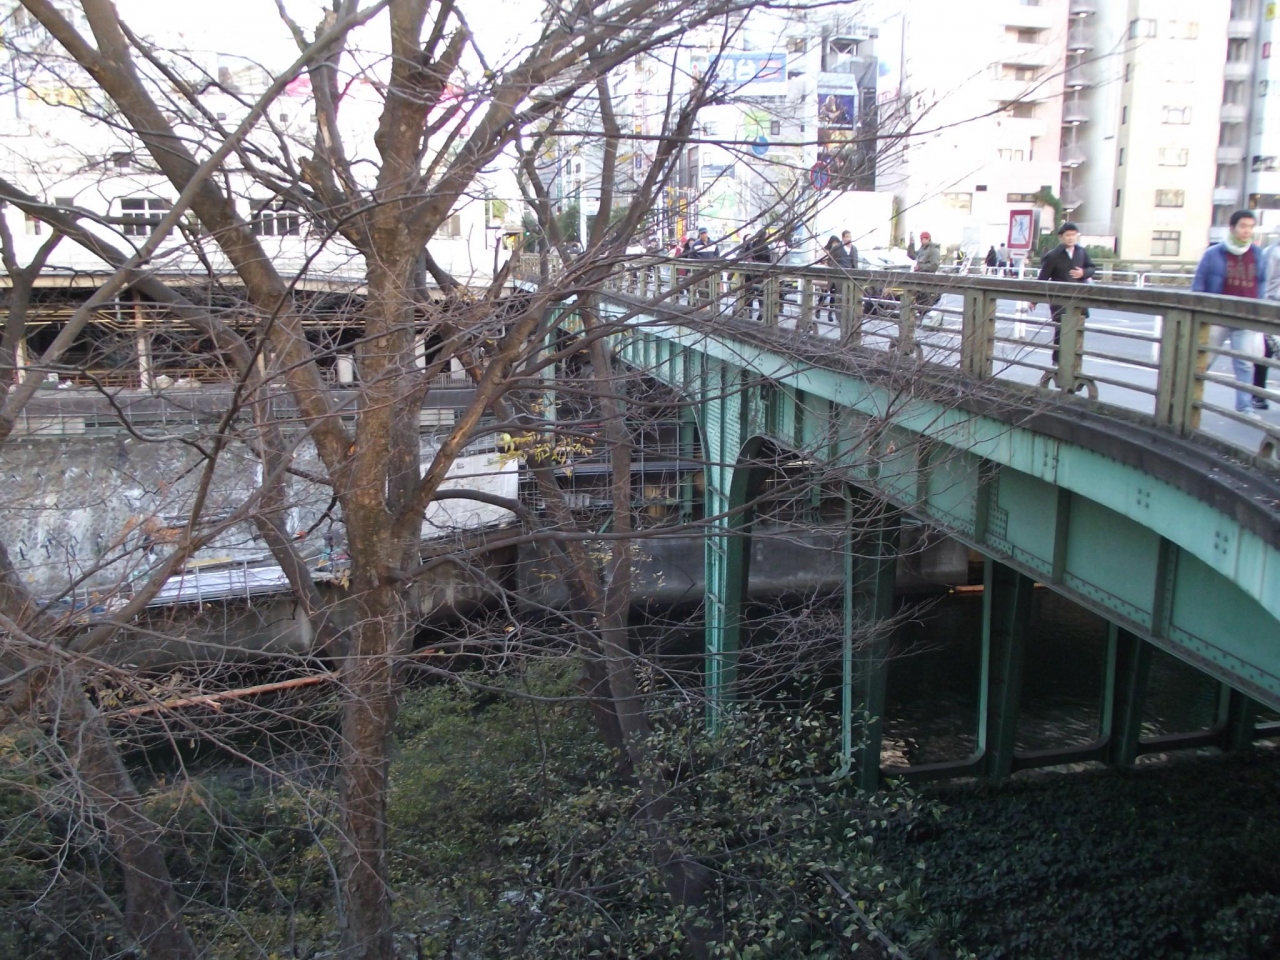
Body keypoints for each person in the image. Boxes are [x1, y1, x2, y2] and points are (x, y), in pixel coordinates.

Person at [1192, 209, 1269, 416]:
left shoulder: (1258, 254)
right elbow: (1198, 285)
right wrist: (1201, 310)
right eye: (1243, 226)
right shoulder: (1214, 253)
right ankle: (1188, 399)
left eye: (1251, 227)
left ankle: (1244, 407)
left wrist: (1259, 308)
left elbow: (1262, 282)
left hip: (1245, 317)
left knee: (1244, 364)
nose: (1247, 231)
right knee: (1203, 360)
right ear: (1232, 227)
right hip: (1217, 316)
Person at [1037, 222, 1097, 380]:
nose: (1071, 238)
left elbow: (1092, 268)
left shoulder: (1081, 252)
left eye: (1073, 235)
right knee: (1062, 328)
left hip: (1078, 297)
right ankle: (1058, 361)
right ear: (1061, 237)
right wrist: (1034, 300)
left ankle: (1075, 362)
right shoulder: (1053, 255)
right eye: (1067, 235)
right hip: (1060, 299)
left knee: (1078, 328)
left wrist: (1084, 273)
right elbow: (1043, 278)